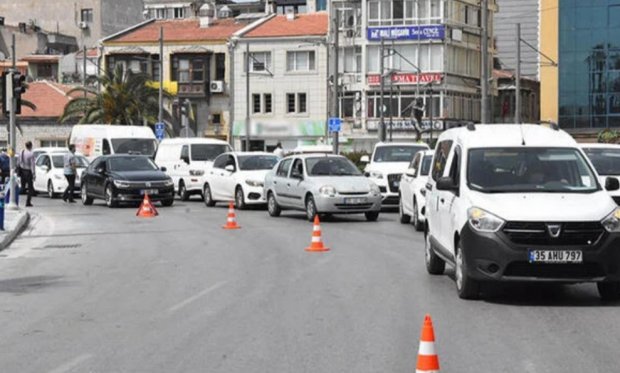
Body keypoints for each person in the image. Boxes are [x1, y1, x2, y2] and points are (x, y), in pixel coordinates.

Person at [18, 141, 36, 207]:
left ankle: (15, 197)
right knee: (30, 188)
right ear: (30, 146)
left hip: (22, 171)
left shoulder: (21, 152)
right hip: (28, 171)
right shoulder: (31, 154)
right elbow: (32, 165)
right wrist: (34, 174)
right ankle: (28, 202)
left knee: (23, 187)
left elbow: (18, 162)